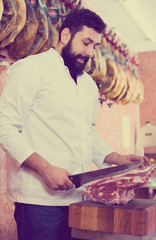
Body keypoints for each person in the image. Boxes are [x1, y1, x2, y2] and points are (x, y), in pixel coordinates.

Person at [0, 8, 150, 240]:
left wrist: (115, 158)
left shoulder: (88, 84)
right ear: (66, 35)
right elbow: (4, 127)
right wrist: (46, 168)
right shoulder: (32, 69)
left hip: (78, 199)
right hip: (38, 202)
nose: (89, 52)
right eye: (86, 42)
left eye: (95, 46)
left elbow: (86, 134)